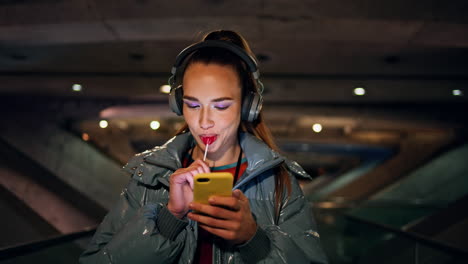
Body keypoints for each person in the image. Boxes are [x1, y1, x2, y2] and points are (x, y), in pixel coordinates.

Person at [79, 30, 328, 264]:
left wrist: (254, 240)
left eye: (220, 106)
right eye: (193, 105)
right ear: (179, 105)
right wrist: (169, 220)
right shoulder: (149, 177)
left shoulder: (280, 182)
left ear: (246, 107)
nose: (204, 122)